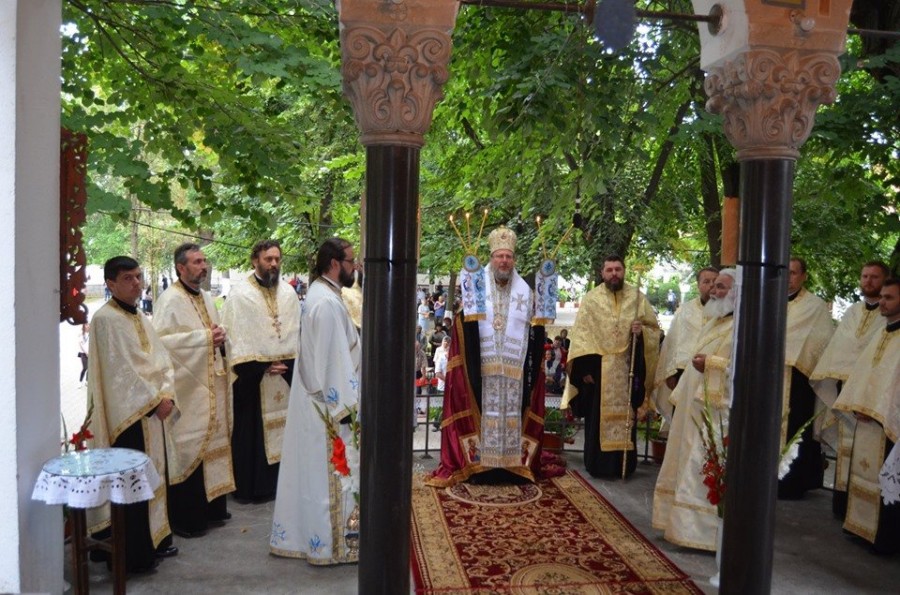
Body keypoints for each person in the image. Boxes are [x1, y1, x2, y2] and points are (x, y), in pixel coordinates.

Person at [426, 226, 546, 487]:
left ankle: (511, 467)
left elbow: (535, 330)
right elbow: (463, 327)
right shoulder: (476, 289)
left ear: (514, 260)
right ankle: (483, 467)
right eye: (499, 256)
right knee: (486, 414)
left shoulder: (525, 293)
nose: (504, 261)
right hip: (484, 369)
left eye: (509, 257)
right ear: (491, 259)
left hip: (513, 373)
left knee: (510, 417)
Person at [270, 238, 361, 565]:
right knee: (329, 479)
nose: (355, 266)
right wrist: (347, 410)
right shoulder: (325, 304)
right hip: (330, 411)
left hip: (322, 407)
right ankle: (331, 546)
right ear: (334, 264)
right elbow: (329, 363)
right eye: (351, 261)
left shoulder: (327, 297)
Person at [86, 256, 178, 573]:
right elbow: (121, 372)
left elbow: (159, 359)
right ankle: (131, 556)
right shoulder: (105, 319)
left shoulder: (138, 315)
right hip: (128, 417)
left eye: (138, 277)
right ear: (110, 284)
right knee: (130, 486)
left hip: (151, 410)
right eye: (128, 278)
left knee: (148, 480)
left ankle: (153, 542)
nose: (136, 283)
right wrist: (156, 401)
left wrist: (166, 393)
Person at [153, 243, 235, 538]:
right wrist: (203, 339)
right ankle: (189, 519)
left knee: (213, 443)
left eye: (204, 261)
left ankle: (213, 510)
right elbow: (161, 344)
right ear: (181, 267)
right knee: (191, 447)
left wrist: (221, 335)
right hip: (188, 392)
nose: (204, 266)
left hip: (211, 382)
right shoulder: (169, 300)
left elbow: (214, 332)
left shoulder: (207, 297)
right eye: (197, 262)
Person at [652, 269, 737, 551]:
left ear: (736, 291)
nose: (715, 291)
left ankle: (702, 533)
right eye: (713, 286)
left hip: (716, 413)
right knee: (685, 460)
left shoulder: (741, 326)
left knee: (702, 466)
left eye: (722, 287)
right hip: (694, 405)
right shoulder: (715, 321)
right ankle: (676, 522)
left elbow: (744, 369)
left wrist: (710, 363)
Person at [561, 255, 661, 479]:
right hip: (599, 372)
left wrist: (640, 332)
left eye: (618, 269)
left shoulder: (637, 298)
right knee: (597, 420)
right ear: (602, 273)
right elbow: (582, 337)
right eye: (609, 270)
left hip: (627, 370)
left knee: (627, 416)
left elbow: (653, 330)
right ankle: (598, 464)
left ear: (623, 271)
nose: (614, 273)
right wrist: (585, 371)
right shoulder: (591, 299)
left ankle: (623, 465)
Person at [220, 239, 300, 503]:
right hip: (253, 379)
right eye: (268, 259)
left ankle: (283, 484)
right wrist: (263, 365)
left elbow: (295, 334)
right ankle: (253, 488)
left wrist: (286, 363)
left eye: (277, 259)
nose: (274, 264)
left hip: (286, 374)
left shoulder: (288, 294)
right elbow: (236, 338)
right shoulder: (240, 294)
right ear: (255, 260)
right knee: (251, 435)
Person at [811, 261, 889, 517]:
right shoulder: (852, 311)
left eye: (874, 277)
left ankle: (865, 516)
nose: (868, 281)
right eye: (864, 276)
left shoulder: (888, 317)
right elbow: (841, 346)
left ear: (884, 280)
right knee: (846, 452)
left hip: (872, 395)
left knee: (868, 457)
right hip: (846, 391)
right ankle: (842, 506)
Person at [832, 278, 899, 555]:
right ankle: (861, 529)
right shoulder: (882, 333)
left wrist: (875, 410)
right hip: (866, 416)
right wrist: (858, 403)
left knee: (884, 479)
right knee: (862, 471)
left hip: (887, 422)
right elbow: (865, 373)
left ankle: (885, 538)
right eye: (882, 297)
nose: (882, 301)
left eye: (890, 298)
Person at [778, 257, 835, 500]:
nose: (788, 278)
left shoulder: (816, 306)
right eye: (785, 272)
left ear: (803, 276)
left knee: (795, 431)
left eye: (793, 273)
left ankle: (791, 483)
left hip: (799, 381)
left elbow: (821, 344)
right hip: (770, 379)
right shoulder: (769, 299)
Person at [651, 267, 718, 426]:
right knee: (682, 424)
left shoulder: (727, 312)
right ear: (698, 285)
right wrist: (670, 373)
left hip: (713, 374)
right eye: (706, 281)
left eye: (715, 281)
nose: (710, 285)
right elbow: (673, 342)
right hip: (684, 375)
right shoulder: (685, 310)